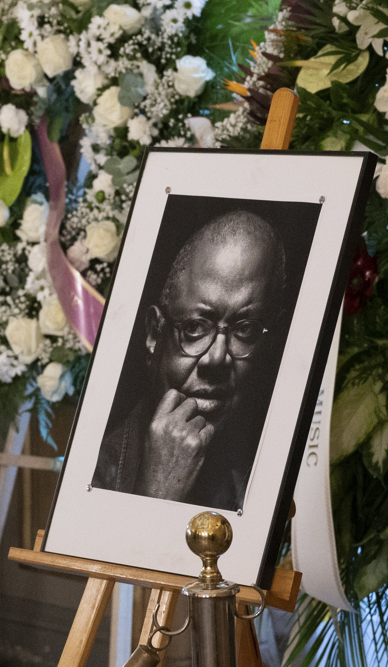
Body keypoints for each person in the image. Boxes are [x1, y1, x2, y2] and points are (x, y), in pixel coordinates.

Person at [94, 208, 286, 507]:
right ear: (155, 333)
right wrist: (158, 491)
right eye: (195, 327)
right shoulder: (96, 470)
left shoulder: (271, 479)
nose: (217, 358)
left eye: (244, 329)